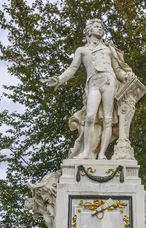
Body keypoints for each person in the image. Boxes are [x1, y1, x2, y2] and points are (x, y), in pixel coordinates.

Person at [45, 19, 135, 160]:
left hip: (108, 81)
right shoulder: (81, 50)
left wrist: (126, 76)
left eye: (101, 27)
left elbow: (118, 71)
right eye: (96, 27)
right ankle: (86, 152)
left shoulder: (108, 49)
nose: (100, 29)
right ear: (89, 31)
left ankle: (101, 155)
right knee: (90, 116)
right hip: (93, 83)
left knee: (108, 118)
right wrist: (59, 79)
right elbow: (72, 69)